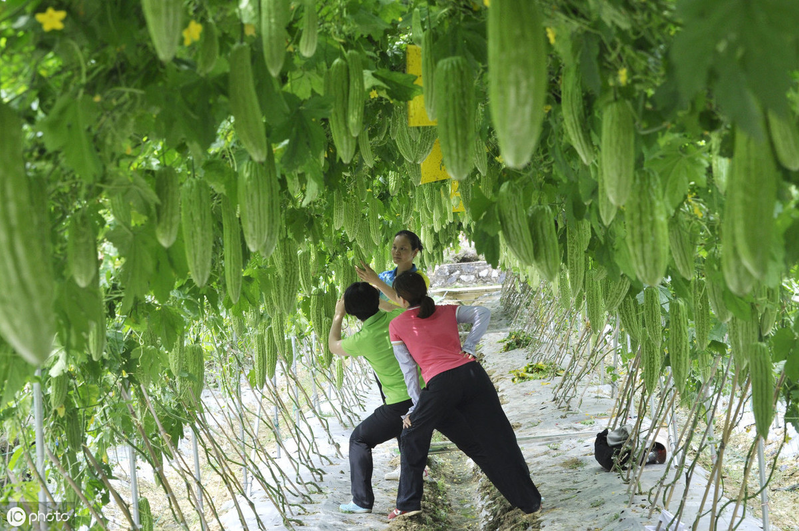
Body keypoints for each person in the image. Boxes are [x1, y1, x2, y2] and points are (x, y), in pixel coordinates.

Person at [387, 271, 542, 521]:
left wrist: (417, 407)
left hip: (441, 384)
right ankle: (531, 501)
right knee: (498, 437)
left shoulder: (396, 325)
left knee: (412, 433)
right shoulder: (447, 310)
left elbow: (409, 371)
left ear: (401, 300)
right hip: (473, 375)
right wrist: (468, 346)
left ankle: (407, 503)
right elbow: (483, 312)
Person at [328, 282, 485, 515]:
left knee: (360, 439)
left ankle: (362, 501)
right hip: (432, 393)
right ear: (377, 300)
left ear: (353, 312)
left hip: (402, 404)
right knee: (471, 443)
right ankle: (503, 474)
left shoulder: (363, 339)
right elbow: (395, 305)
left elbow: (333, 346)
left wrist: (338, 316)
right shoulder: (400, 316)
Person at [356, 230, 429, 311]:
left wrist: (375, 281)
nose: (396, 252)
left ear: (415, 252)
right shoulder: (384, 277)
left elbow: (407, 309)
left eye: (402, 248)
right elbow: (368, 298)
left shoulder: (421, 279)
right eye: (394, 247)